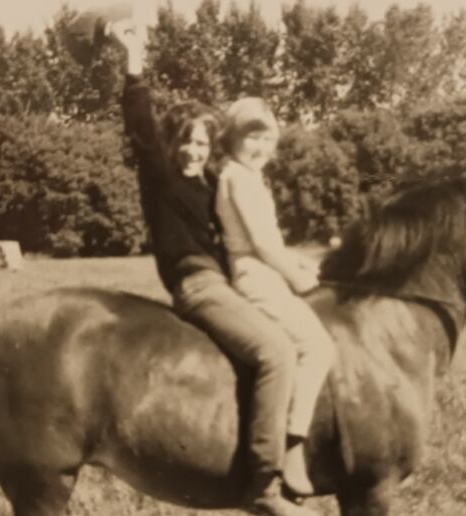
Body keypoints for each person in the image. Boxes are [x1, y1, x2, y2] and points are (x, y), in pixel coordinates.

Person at [111, 21, 316, 516]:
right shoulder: (161, 180)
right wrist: (133, 58)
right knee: (276, 354)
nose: (194, 152)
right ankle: (264, 486)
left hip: (226, 284)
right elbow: (140, 124)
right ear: (173, 143)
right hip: (197, 286)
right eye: (186, 142)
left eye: (203, 145)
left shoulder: (210, 187)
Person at [215, 97, 336, 497]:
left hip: (266, 273)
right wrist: (303, 282)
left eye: (267, 137)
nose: (261, 146)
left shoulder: (248, 177)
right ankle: (293, 444)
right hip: (255, 277)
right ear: (231, 140)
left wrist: (309, 265)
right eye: (251, 136)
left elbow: (276, 245)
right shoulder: (237, 178)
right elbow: (264, 248)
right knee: (317, 346)